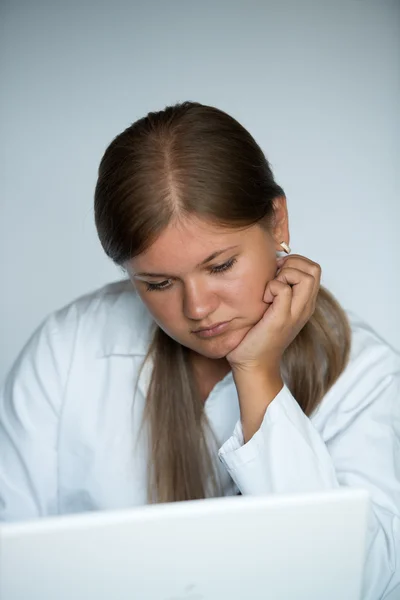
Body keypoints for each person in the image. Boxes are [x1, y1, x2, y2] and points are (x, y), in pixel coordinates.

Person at [0, 101, 399, 598]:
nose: (198, 308)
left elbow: (359, 584)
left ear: (277, 222)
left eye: (220, 266)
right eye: (159, 282)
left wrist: (258, 373)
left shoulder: (365, 373)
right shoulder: (66, 352)